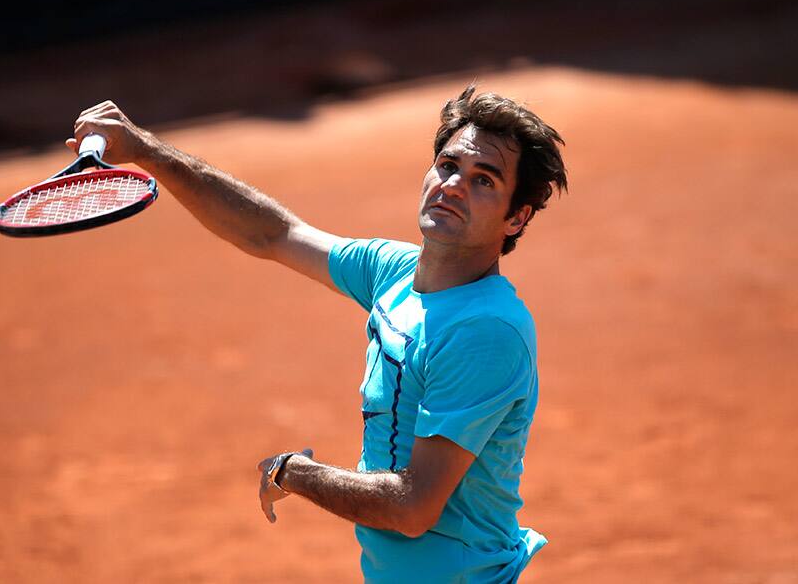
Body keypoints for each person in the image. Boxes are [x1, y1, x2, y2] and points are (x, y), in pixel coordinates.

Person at [68, 85, 568, 583]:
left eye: (485, 181)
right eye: (448, 165)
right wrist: (147, 151)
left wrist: (296, 472)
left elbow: (414, 507)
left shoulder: (484, 330)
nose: (454, 185)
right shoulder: (393, 272)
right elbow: (273, 233)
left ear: (516, 216)